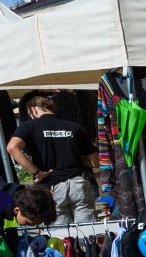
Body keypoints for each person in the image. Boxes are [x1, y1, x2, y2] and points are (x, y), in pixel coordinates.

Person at [6, 95, 99, 225]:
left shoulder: (29, 126)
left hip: (51, 188)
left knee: (60, 238)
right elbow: (95, 162)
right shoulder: (75, 127)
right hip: (78, 184)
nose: (30, 117)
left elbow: (12, 148)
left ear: (33, 110)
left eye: (30, 114)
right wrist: (74, 159)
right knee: (89, 232)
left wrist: (37, 172)